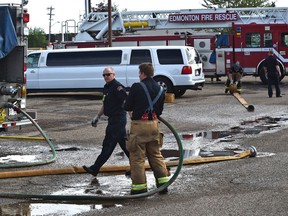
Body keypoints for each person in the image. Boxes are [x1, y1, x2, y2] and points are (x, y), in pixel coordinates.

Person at [124, 62, 169, 195]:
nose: (139, 76)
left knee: (137, 158)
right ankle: (163, 184)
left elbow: (127, 106)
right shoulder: (160, 88)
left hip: (139, 126)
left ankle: (139, 188)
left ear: (143, 73)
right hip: (154, 125)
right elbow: (159, 111)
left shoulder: (137, 86)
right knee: (156, 155)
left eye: (139, 73)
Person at [83, 67, 129, 176]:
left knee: (108, 144)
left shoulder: (118, 87)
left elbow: (127, 101)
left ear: (114, 74)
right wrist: (97, 116)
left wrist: (131, 115)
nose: (106, 77)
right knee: (125, 145)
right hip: (113, 119)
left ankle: (95, 168)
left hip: (118, 119)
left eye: (108, 74)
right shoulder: (106, 87)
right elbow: (105, 104)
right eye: (104, 75)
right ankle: (137, 166)